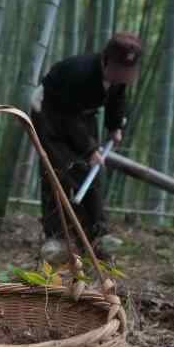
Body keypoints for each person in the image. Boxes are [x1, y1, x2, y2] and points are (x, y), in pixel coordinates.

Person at [30, 32, 143, 264]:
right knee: (58, 171)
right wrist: (90, 149)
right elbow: (66, 118)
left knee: (93, 174)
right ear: (106, 60)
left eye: (128, 71)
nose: (124, 75)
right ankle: (55, 237)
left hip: (80, 115)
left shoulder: (117, 77)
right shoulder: (80, 73)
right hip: (50, 112)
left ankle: (97, 235)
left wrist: (114, 126)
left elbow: (117, 96)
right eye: (119, 69)